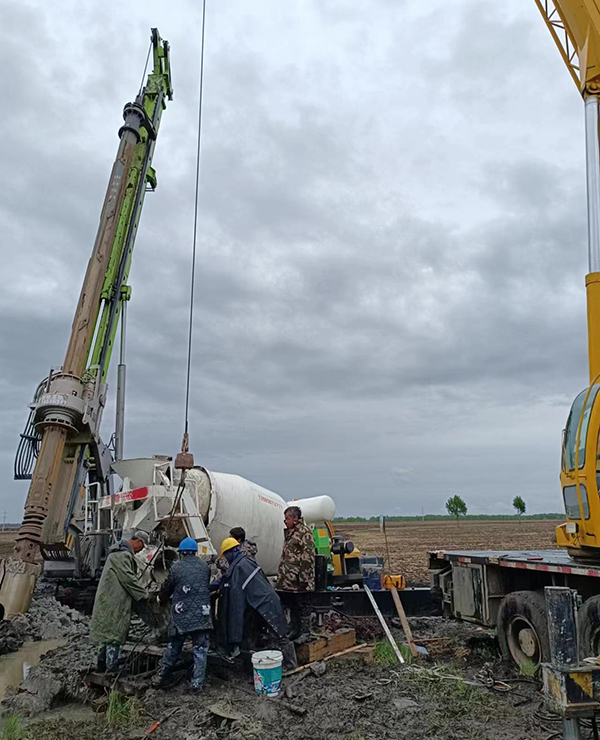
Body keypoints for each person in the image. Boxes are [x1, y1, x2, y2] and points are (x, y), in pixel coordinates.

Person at [216, 537, 297, 670]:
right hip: (260, 602)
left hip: (266, 603)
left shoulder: (240, 567)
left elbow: (236, 596)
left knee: (279, 634)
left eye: (225, 554)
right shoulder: (244, 562)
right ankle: (262, 662)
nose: (225, 558)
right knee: (256, 633)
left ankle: (291, 665)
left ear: (231, 552)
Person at [152, 537, 213, 692]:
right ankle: (197, 684)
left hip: (182, 615)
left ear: (181, 553)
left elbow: (167, 588)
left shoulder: (176, 568)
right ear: (195, 552)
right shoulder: (205, 567)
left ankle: (161, 675)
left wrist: (160, 598)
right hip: (202, 614)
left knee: (174, 647)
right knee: (200, 649)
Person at [90, 531, 150, 673]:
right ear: (138, 542)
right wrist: (144, 595)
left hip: (107, 599)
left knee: (105, 634)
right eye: (142, 547)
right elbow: (128, 579)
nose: (140, 550)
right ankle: (112, 669)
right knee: (114, 634)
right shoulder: (123, 555)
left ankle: (101, 665)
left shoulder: (116, 552)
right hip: (115, 601)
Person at [276, 506, 316, 592]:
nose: (285, 522)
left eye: (287, 519)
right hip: (286, 582)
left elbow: (308, 557)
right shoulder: (290, 533)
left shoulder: (304, 532)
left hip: (296, 583)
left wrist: (303, 580)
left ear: (295, 518)